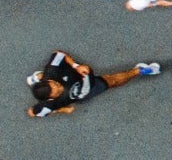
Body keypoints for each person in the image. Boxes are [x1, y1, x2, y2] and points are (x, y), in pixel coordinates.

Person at [27, 50, 163, 117]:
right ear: (51, 98)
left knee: (44, 73)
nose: (58, 86)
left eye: (55, 84)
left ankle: (37, 77)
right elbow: (32, 113)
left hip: (76, 74)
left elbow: (58, 53)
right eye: (56, 90)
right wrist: (61, 109)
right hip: (85, 89)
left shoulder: (51, 72)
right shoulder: (48, 105)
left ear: (48, 80)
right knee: (112, 81)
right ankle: (138, 71)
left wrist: (76, 66)